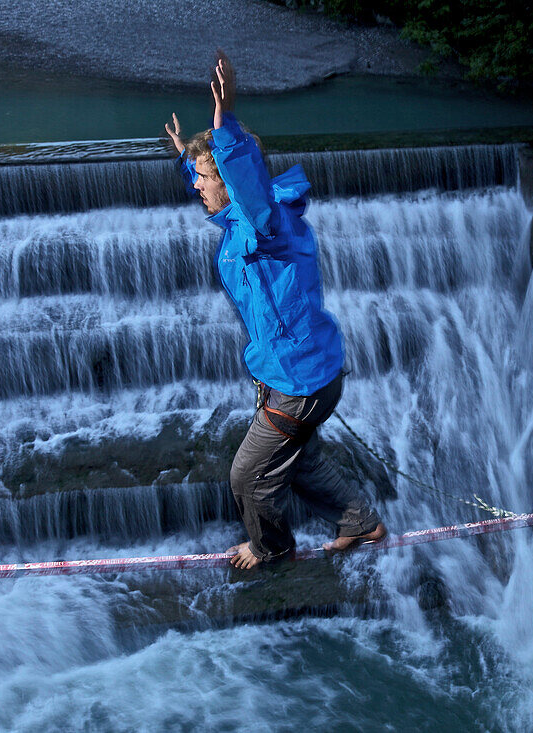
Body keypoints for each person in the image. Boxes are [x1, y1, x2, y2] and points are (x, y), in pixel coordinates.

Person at [164, 53, 386, 570]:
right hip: (302, 373)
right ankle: (360, 522)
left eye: (201, 176)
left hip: (299, 381)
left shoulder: (267, 224)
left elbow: (245, 182)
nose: (194, 186)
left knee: (247, 476)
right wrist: (185, 155)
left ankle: (274, 547)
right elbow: (223, 186)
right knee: (297, 460)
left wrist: (226, 125)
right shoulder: (240, 219)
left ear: (232, 180)